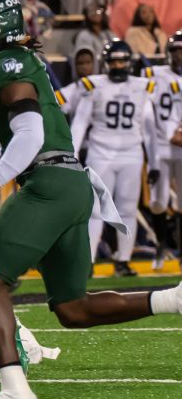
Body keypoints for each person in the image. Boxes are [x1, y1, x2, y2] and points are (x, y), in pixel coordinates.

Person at [0, 0, 182, 399]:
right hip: (68, 182)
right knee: (72, 308)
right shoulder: (12, 62)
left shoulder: (6, 65)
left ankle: (15, 395)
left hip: (49, 185)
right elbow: (22, 147)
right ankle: (175, 301)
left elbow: (30, 139)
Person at [70, 40, 159, 275]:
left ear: (129, 63)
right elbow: (80, 122)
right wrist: (72, 154)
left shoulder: (143, 86)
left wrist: (155, 162)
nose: (118, 66)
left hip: (132, 153)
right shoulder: (94, 86)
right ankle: (87, 261)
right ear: (106, 64)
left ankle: (123, 259)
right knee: (96, 209)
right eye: (113, 61)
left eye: (122, 61)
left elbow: (149, 129)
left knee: (127, 209)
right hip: (101, 153)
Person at [141, 31, 182, 269]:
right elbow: (145, 108)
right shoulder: (152, 75)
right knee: (158, 201)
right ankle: (161, 246)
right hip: (159, 146)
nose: (179, 55)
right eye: (175, 50)